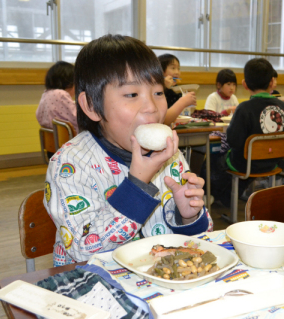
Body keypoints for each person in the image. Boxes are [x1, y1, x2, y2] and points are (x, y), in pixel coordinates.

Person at [44, 35, 212, 266]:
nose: (152, 108)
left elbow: (195, 243)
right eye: (132, 95)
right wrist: (137, 185)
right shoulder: (70, 164)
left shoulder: (170, 156)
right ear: (91, 106)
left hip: (158, 281)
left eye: (158, 92)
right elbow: (84, 251)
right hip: (94, 285)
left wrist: (188, 215)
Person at [205, 58, 284, 206]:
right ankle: (229, 197)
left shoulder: (244, 108)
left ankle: (215, 198)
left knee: (213, 159)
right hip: (273, 163)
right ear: (272, 82)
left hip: (245, 164)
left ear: (245, 84)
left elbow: (233, 140)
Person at [36, 61, 78, 133]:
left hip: (53, 141)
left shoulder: (46, 94)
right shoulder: (61, 95)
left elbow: (38, 115)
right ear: (69, 82)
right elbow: (77, 118)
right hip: (71, 141)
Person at [158, 54, 197, 125]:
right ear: (162, 71)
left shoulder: (177, 89)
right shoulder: (157, 90)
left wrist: (189, 103)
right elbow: (163, 118)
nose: (177, 72)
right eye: (173, 68)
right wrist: (164, 87)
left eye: (178, 69)